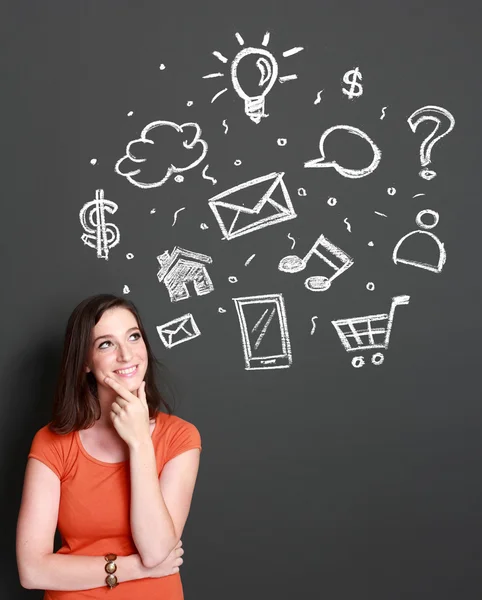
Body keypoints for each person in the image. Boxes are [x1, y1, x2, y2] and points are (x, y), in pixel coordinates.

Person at [16, 294, 202, 599]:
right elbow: (32, 571)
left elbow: (156, 550)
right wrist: (134, 569)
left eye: (133, 337)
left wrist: (140, 442)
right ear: (86, 362)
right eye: (106, 344)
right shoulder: (53, 442)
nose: (127, 355)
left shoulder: (180, 437)